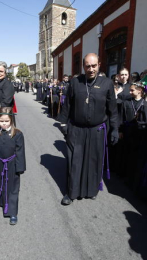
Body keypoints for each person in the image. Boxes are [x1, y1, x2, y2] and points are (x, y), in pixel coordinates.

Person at [58, 53, 119, 205]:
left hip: (97, 130)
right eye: (87, 66)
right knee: (74, 162)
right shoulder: (75, 82)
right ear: (83, 66)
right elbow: (67, 105)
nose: (91, 69)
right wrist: (63, 125)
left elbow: (112, 109)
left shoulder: (107, 83)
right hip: (76, 129)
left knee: (94, 161)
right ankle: (71, 193)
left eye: (94, 65)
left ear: (99, 65)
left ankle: (91, 190)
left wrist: (115, 129)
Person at [118, 83, 145, 182]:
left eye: (132, 90)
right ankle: (122, 172)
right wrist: (120, 130)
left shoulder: (144, 103)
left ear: (139, 90)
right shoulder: (126, 102)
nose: (130, 92)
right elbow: (121, 117)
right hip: (127, 130)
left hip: (138, 132)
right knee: (125, 152)